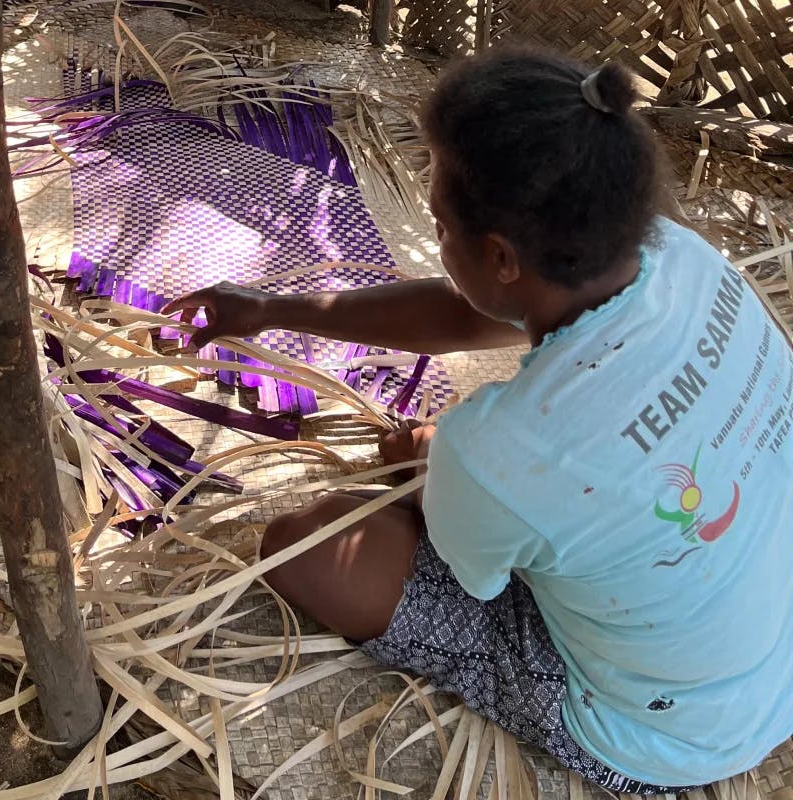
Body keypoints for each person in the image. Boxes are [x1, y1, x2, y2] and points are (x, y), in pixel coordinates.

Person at [163, 49, 793, 792]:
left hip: (659, 733)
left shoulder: (503, 448)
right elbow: (466, 313)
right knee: (452, 471)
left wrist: (435, 478)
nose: (432, 235)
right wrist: (269, 310)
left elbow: (483, 581)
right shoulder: (678, 258)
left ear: (500, 257)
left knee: (302, 544)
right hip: (766, 649)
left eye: (437, 222)